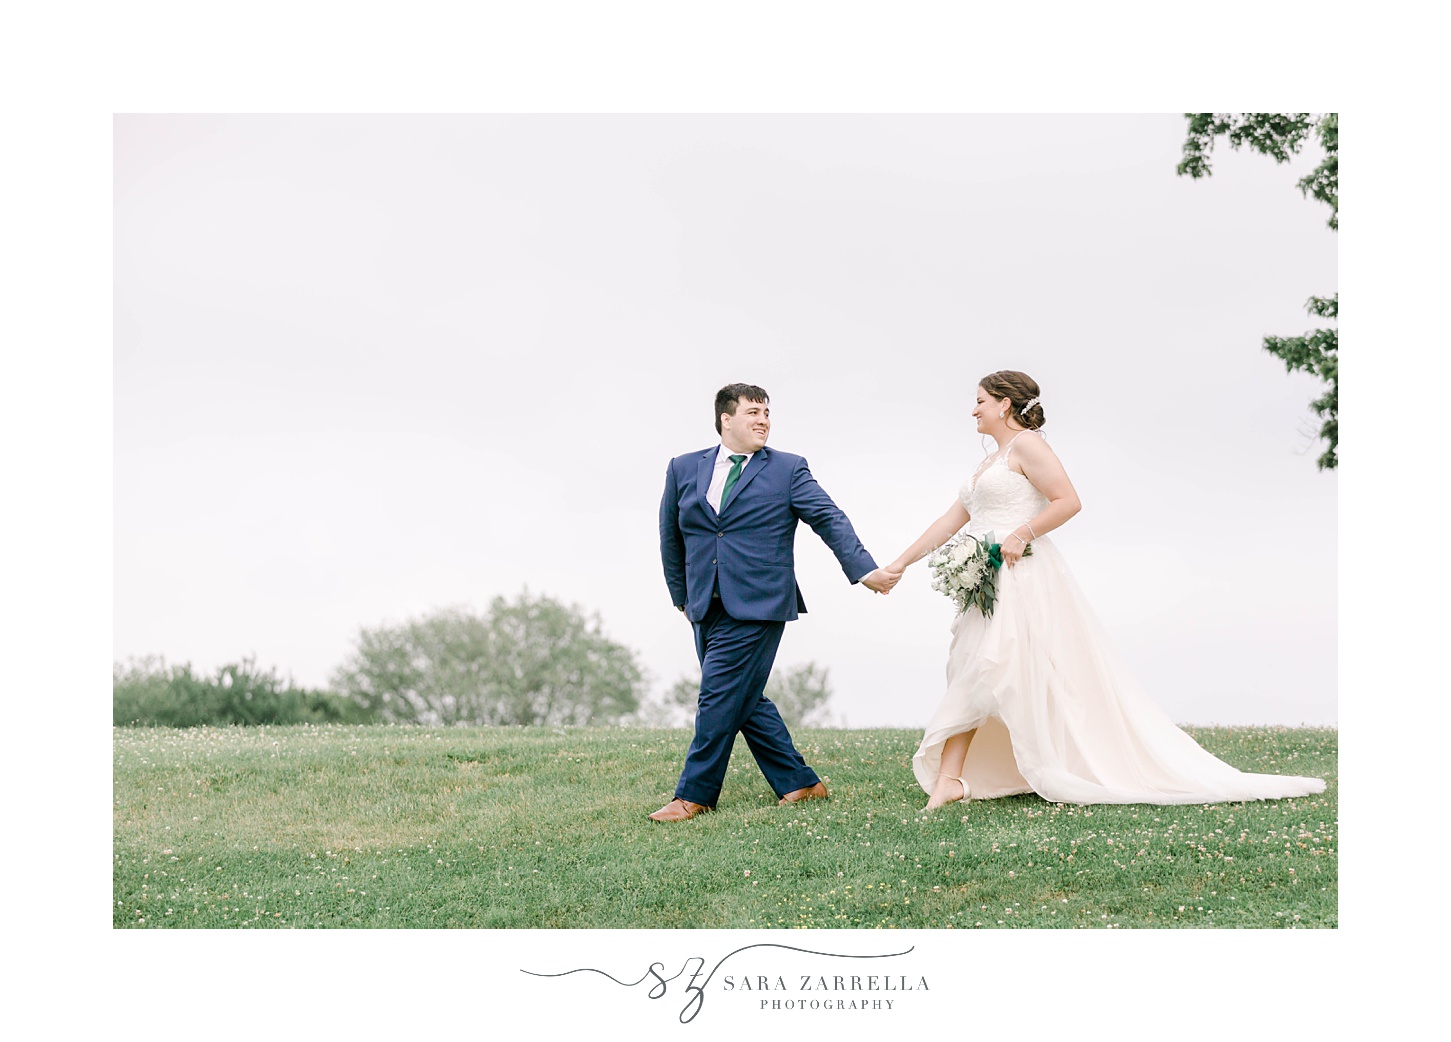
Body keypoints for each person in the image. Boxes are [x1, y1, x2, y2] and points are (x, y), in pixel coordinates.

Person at [882, 370, 1326, 810]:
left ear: (1004, 404)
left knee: (999, 671)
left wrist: (1020, 534)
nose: (973, 408)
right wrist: (900, 563)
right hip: (988, 581)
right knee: (971, 671)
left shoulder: (1028, 446)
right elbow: (949, 521)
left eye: (980, 400)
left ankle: (1039, 766)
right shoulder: (986, 464)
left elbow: (1068, 500)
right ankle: (952, 781)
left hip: (1023, 575)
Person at [651, 383, 898, 821]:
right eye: (752, 412)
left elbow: (828, 517)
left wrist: (863, 570)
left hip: (760, 604)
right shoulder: (683, 467)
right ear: (726, 419)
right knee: (742, 698)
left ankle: (695, 795)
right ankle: (800, 783)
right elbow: (671, 534)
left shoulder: (788, 469)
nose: (763, 419)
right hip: (703, 605)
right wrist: (680, 595)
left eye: (767, 412)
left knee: (716, 696)